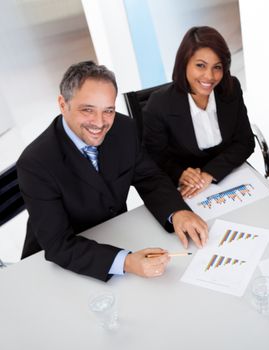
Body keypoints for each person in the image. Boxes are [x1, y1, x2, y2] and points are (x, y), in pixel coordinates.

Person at [17, 61, 208, 282]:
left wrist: (177, 212)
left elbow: (149, 177)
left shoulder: (124, 129)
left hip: (115, 234)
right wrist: (126, 262)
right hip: (57, 266)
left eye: (108, 110)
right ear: (63, 103)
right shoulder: (35, 163)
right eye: (88, 110)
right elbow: (59, 245)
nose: (99, 123)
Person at [142, 26, 255, 199]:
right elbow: (154, 156)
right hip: (188, 189)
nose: (209, 76)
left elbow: (245, 142)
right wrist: (180, 173)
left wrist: (210, 173)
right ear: (184, 63)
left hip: (228, 177)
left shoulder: (230, 89)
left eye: (217, 67)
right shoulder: (160, 104)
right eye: (200, 65)